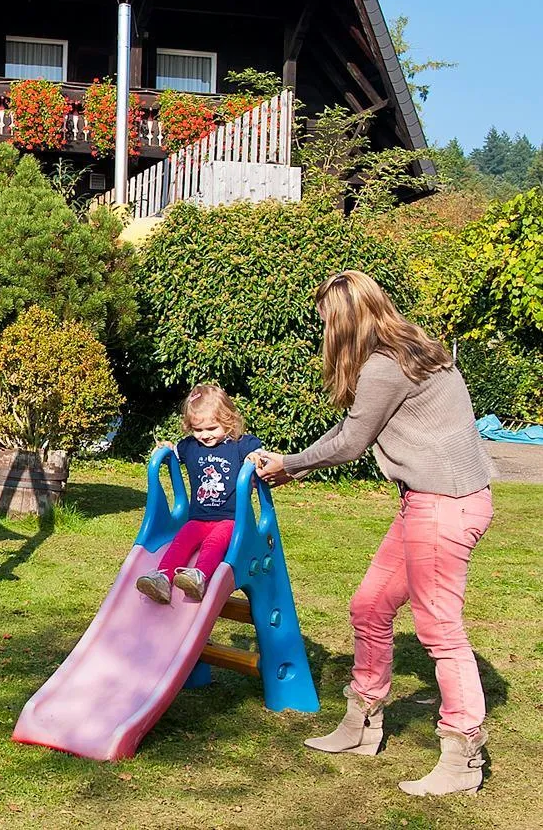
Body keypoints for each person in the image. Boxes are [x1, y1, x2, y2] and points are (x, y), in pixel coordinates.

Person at [254, 270, 493, 797]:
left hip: (444, 506)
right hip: (428, 501)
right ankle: (362, 723)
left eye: (326, 323)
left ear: (344, 323)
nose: (324, 332)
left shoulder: (387, 366)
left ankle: (463, 753)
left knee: (440, 630)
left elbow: (351, 442)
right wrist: (295, 464)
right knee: (370, 605)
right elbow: (354, 426)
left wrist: (289, 464)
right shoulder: (413, 350)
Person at [136, 384, 263, 604]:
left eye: (211, 428)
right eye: (198, 429)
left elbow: (258, 453)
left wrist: (255, 457)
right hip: (198, 518)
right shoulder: (190, 446)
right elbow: (172, 455)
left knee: (214, 543)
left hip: (230, 519)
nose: (204, 435)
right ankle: (162, 578)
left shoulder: (240, 445)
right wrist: (165, 448)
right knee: (181, 541)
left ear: (228, 420)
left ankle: (199, 577)